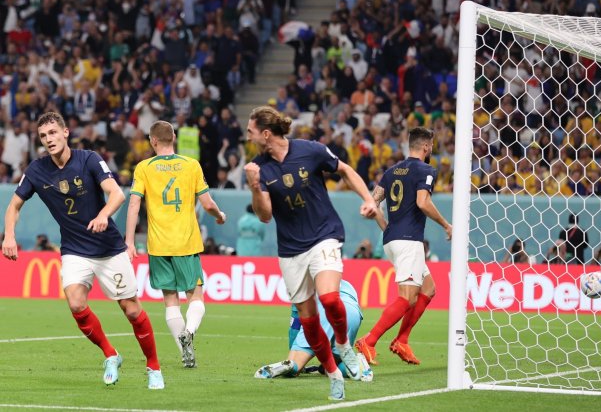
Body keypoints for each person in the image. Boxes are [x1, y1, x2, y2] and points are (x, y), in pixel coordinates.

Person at [2, 111, 164, 389]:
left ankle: (154, 368)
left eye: (53, 133)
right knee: (76, 303)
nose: (48, 139)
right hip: (74, 250)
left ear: (65, 133)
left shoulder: (88, 158)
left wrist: (103, 216)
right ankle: (111, 355)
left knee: (132, 310)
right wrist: (9, 236)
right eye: (43, 136)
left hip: (108, 248)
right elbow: (14, 205)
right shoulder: (36, 170)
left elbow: (117, 194)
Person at [243, 106, 378, 401]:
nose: (248, 136)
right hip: (291, 250)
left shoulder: (310, 150)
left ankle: (343, 345)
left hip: (324, 236)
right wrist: (254, 186)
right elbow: (265, 215)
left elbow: (345, 170)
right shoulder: (259, 168)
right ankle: (333, 373)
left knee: (330, 298)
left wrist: (369, 199)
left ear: (266, 133)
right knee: (309, 320)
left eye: (251, 131)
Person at [125, 120, 227, 369]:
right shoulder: (191, 165)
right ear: (174, 138)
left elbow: (134, 204)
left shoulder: (143, 168)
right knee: (196, 295)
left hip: (158, 245)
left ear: (153, 141)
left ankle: (184, 351)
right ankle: (189, 331)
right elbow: (208, 204)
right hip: (186, 243)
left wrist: (129, 241)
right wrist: (220, 216)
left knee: (170, 300)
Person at [355, 127, 452, 366]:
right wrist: (446, 224)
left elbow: (373, 202)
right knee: (407, 298)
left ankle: (402, 340)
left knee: (428, 289)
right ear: (427, 146)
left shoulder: (391, 171)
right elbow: (422, 202)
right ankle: (369, 341)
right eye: (432, 145)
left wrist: (384, 225)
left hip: (392, 239)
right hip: (408, 241)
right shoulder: (426, 169)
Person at [254, 280, 372, 381]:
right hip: (352, 315)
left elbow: (295, 323)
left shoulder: (303, 284)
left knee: (295, 365)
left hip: (325, 313)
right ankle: (356, 363)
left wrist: (294, 352)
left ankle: (291, 365)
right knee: (330, 368)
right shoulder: (346, 284)